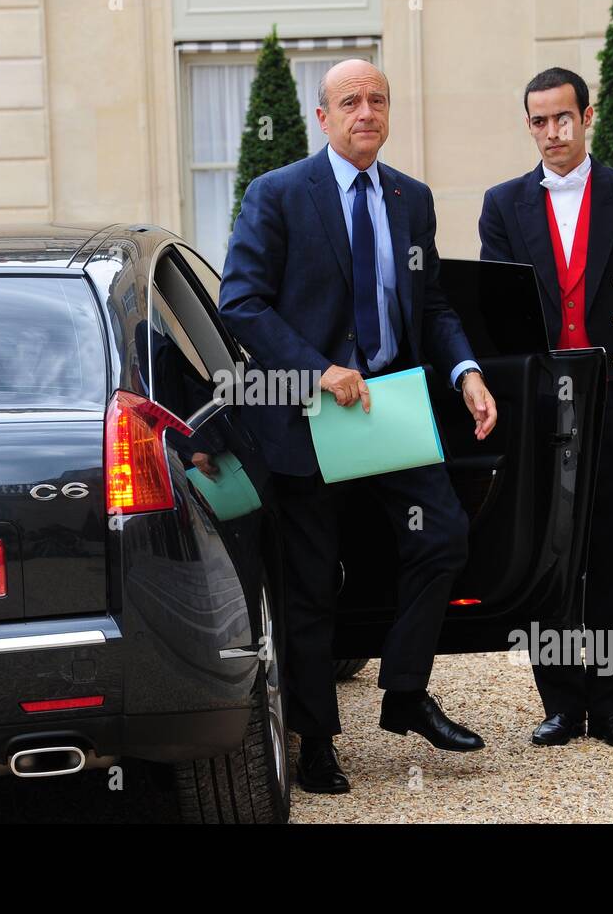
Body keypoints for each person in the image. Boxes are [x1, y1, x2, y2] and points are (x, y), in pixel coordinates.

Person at [218, 59, 498, 794]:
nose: (365, 111)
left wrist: (467, 371)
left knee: (443, 535)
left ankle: (405, 692)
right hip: (310, 418)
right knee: (312, 585)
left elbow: (432, 305)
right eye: (350, 101)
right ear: (323, 117)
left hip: (389, 413)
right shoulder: (277, 195)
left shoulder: (411, 198)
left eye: (377, 100)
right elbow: (241, 303)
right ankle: (315, 741)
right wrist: (317, 368)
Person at [477, 67, 613, 750]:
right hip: (545, 404)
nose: (552, 132)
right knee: (550, 549)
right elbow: (500, 306)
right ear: (528, 125)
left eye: (563, 118)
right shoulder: (504, 204)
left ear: (587, 116)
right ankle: (561, 701)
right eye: (539, 121)